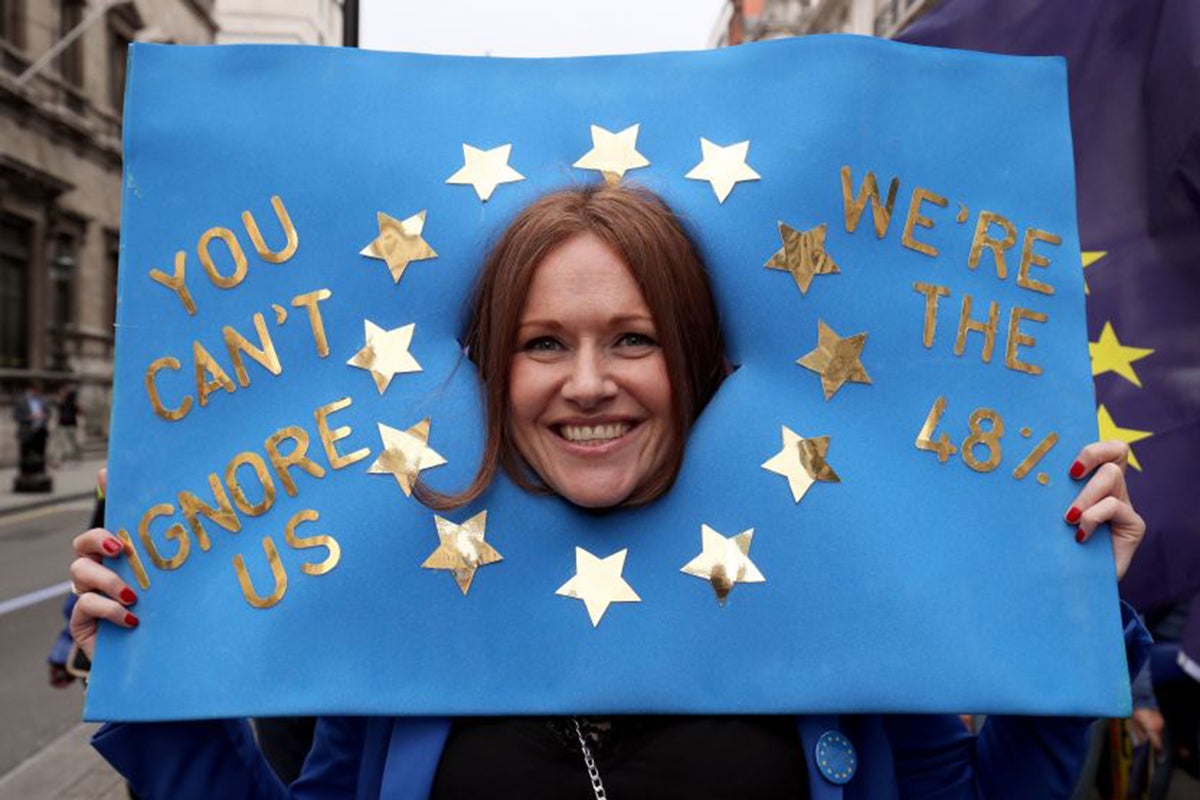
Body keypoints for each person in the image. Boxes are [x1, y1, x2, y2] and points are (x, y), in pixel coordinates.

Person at [67, 184, 1150, 799]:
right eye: (545, 342)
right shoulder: (401, 619)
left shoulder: (847, 600)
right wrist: (148, 670)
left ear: (696, 362)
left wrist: (1066, 612)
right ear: (497, 371)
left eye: (633, 338)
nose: (588, 381)